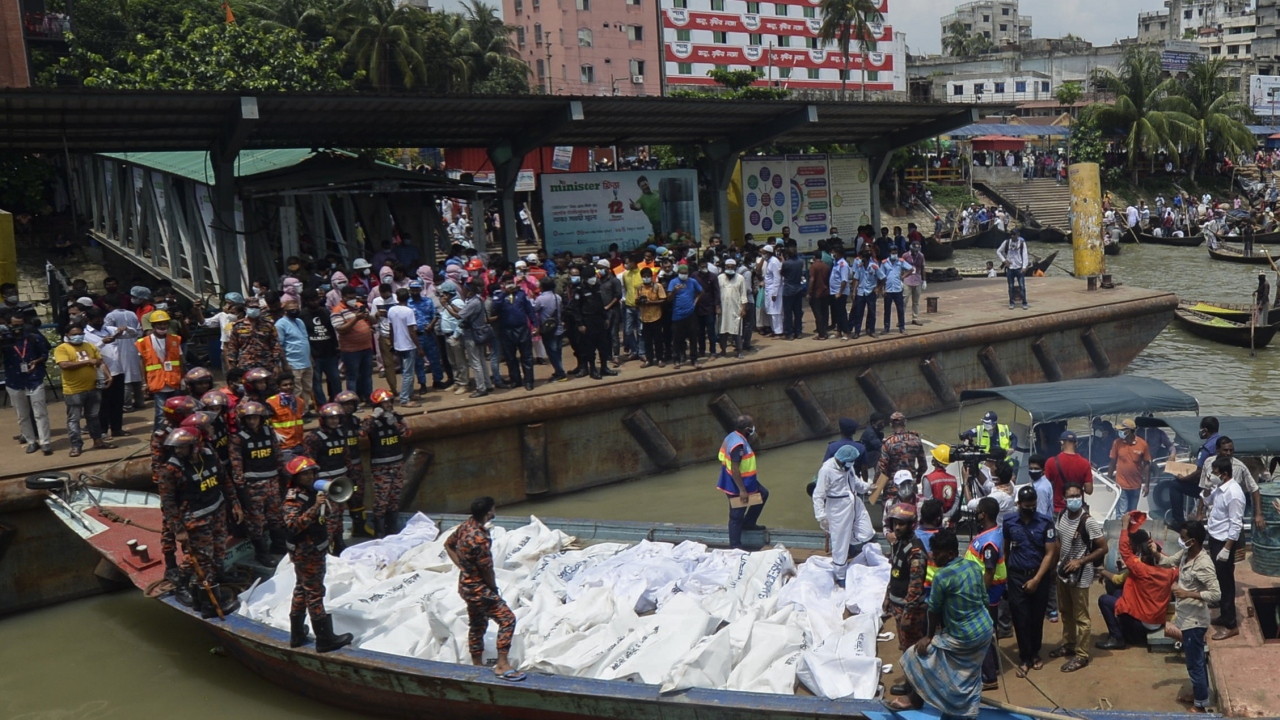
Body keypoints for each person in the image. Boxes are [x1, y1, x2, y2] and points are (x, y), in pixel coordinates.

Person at [888, 528, 994, 717]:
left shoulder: (942, 576)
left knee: (915, 655)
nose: (933, 556)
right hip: (984, 630)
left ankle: (915, 699)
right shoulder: (974, 567)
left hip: (963, 636)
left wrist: (928, 637)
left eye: (937, 553)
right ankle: (963, 707)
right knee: (968, 674)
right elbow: (984, 599)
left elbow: (933, 609)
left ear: (951, 554)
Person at [157, 427, 243, 619]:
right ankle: (191, 591)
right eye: (176, 448)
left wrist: (235, 504)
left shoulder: (210, 457)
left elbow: (225, 481)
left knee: (218, 552)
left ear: (195, 447)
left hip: (217, 512)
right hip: (195, 521)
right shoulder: (170, 470)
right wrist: (178, 529)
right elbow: (168, 503)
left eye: (182, 448)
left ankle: (205, 590)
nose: (178, 451)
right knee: (201, 558)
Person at [444, 496, 525, 681]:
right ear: (489, 512)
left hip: (465, 587)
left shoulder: (466, 526)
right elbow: (487, 569)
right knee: (507, 619)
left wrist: (463, 568)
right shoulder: (480, 538)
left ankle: (477, 664)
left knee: (477, 623)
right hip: (479, 589)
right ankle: (502, 664)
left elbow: (448, 545)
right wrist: (493, 588)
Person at [282, 456, 354, 653]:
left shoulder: (311, 493)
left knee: (301, 589)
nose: (310, 477)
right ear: (295, 477)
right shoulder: (294, 499)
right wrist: (315, 508)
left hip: (313, 548)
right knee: (314, 593)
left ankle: (297, 634)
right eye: (305, 474)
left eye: (312, 473)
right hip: (307, 553)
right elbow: (292, 526)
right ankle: (324, 639)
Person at [1155, 520, 1219, 712]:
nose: (1181, 541)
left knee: (1195, 663)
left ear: (1194, 540)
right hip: (1185, 617)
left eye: (1183, 538)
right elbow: (1167, 562)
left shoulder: (1204, 564)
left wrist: (1188, 593)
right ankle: (1200, 694)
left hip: (1195, 621)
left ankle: (1200, 705)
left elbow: (1216, 594)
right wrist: (1153, 551)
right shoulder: (1185, 554)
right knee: (1195, 660)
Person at [1096, 512, 1177, 650]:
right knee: (1117, 594)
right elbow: (1171, 562)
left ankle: (1117, 638)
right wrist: (1157, 551)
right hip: (1157, 619)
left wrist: (1124, 525)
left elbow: (1124, 551)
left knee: (1104, 599)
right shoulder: (1171, 571)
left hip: (1142, 623)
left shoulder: (1140, 569)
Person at [1004, 485, 1059, 678]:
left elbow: (1050, 553)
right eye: (1027, 506)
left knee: (1036, 617)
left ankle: (1035, 653)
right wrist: (1008, 574)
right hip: (1017, 575)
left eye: (1033, 505)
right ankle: (1025, 657)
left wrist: (1036, 579)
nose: (1031, 509)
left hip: (1039, 575)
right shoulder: (1009, 521)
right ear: (1019, 504)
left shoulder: (1045, 523)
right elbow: (1006, 548)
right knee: (1020, 617)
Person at [1051, 483, 1107, 672]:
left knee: (1081, 616)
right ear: (1064, 499)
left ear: (1082, 497)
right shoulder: (1062, 515)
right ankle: (1069, 644)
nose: (1074, 499)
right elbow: (1059, 541)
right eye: (1070, 496)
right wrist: (1055, 565)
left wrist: (1081, 561)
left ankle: (1082, 654)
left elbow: (1102, 548)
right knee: (1065, 612)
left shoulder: (1088, 522)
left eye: (1077, 495)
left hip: (1081, 575)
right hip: (1064, 572)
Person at [229, 400, 286, 565]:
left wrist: (284, 476)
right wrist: (241, 490)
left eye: (255, 418)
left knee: (276, 516)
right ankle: (262, 554)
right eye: (248, 418)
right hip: (253, 486)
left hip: (273, 482)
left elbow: (278, 456)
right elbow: (236, 465)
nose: (252, 421)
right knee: (256, 521)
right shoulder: (238, 439)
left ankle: (279, 546)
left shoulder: (269, 432)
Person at [883, 502, 929, 697]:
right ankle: (912, 684)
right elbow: (895, 574)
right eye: (895, 523)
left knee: (912, 651)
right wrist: (887, 596)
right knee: (905, 647)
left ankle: (915, 691)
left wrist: (908, 613)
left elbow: (915, 587)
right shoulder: (898, 544)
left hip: (909, 611)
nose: (897, 527)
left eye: (902, 524)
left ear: (911, 525)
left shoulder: (916, 552)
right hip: (897, 606)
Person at [812, 445, 874, 585]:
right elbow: (818, 495)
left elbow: (856, 483)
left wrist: (868, 487)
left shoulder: (848, 467)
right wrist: (821, 516)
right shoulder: (827, 470)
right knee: (839, 542)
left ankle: (851, 544)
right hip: (837, 508)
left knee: (866, 532)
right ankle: (840, 575)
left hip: (854, 502)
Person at [55, 323, 115, 458]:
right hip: (73, 390)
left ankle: (98, 441)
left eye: (80, 334)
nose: (78, 336)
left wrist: (108, 375)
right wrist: (88, 362)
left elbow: (100, 362)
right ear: (67, 336)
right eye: (74, 334)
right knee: (74, 419)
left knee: (93, 416)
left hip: (93, 387)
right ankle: (76, 445)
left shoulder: (90, 346)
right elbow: (64, 365)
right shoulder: (62, 349)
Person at [965, 497, 1006, 691]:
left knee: (984, 633)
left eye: (979, 510)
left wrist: (979, 596)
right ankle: (993, 667)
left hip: (987, 593)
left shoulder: (990, 541)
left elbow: (989, 572)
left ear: (985, 514)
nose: (977, 513)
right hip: (989, 592)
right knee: (989, 630)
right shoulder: (992, 533)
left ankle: (989, 677)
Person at [1204, 456, 1245, 641]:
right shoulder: (1220, 489)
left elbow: (1236, 524)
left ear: (1224, 474)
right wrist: (1206, 486)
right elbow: (1207, 501)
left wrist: (1227, 548)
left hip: (1224, 541)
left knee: (1226, 582)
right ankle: (1224, 613)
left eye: (1215, 472)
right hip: (1215, 538)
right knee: (1219, 579)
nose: (1213, 475)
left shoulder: (1234, 494)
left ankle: (1231, 625)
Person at [2, 313, 52, 455]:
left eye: (20, 325)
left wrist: (36, 362)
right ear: (7, 324)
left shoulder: (33, 338)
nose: (17, 328)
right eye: (14, 325)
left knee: (40, 412)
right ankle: (31, 441)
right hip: (14, 381)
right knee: (22, 414)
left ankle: (45, 442)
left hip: (34, 378)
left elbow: (45, 353)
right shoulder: (5, 341)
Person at [363, 388, 410, 537]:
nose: (388, 404)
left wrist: (395, 423)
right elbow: (362, 432)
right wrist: (374, 416)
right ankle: (380, 530)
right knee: (381, 499)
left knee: (394, 497)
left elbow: (407, 433)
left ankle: (392, 528)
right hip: (381, 466)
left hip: (397, 462)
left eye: (390, 401)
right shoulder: (371, 421)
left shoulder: (396, 417)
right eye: (385, 403)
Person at [718, 415, 768, 550]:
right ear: (747, 429)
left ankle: (749, 523)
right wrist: (742, 491)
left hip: (746, 480)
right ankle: (735, 546)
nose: (753, 428)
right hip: (736, 484)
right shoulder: (738, 445)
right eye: (752, 426)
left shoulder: (732, 436)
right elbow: (735, 469)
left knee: (763, 494)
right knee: (736, 514)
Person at [1199, 436, 1265, 530]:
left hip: (1232, 516)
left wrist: (1258, 514)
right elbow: (1204, 488)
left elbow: (1254, 489)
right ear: (1217, 449)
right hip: (1213, 516)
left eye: (1231, 450)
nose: (1228, 453)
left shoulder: (1239, 467)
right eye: (1225, 450)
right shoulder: (1208, 463)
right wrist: (1199, 512)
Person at [136, 310, 184, 429]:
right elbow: (142, 363)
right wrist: (144, 383)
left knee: (177, 411)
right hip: (158, 382)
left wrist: (183, 379)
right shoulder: (144, 342)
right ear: (153, 326)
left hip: (174, 380)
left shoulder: (175, 339)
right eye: (159, 324)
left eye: (165, 323)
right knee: (161, 413)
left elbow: (181, 360)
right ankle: (159, 437)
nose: (162, 326)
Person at [331, 286, 376, 403]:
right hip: (351, 351)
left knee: (367, 376)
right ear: (343, 297)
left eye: (354, 297)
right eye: (350, 298)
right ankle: (352, 402)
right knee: (352, 377)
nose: (353, 300)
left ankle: (368, 398)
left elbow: (373, 321)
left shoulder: (359, 306)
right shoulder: (337, 311)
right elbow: (341, 329)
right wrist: (356, 319)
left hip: (366, 347)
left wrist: (367, 316)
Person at [224, 300, 286, 374]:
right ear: (245, 309)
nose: (254, 309)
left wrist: (276, 365)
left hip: (266, 364)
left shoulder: (268, 324)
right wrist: (232, 365)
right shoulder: (238, 325)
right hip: (245, 365)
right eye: (251, 307)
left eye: (256, 307)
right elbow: (233, 346)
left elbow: (275, 345)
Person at [1108, 419, 1151, 517]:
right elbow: (1112, 462)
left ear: (1129, 431)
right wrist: (1109, 478)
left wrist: (1147, 485)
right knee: (1122, 513)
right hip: (1121, 485)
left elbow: (1147, 464)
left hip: (1136, 485)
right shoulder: (1117, 443)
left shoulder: (1143, 444)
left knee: (1133, 514)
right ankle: (1120, 530)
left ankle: (1130, 532)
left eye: (1123, 430)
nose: (1120, 432)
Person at [879, 412, 927, 502]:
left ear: (891, 425)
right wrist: (917, 479)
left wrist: (877, 487)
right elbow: (923, 466)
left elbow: (882, 469)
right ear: (905, 423)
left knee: (890, 512)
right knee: (911, 511)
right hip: (910, 486)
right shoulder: (916, 440)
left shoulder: (887, 443)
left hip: (892, 488)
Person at [1045, 430, 1093, 514]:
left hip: (1058, 509)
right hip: (1078, 509)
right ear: (1076, 444)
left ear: (1061, 442)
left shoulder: (1051, 462)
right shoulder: (1085, 463)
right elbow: (1089, 490)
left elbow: (1046, 488)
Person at [667, 262, 704, 368]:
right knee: (677, 338)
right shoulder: (673, 282)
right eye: (682, 273)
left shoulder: (692, 281)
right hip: (677, 314)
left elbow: (701, 291)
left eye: (686, 273)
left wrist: (695, 301)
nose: (684, 274)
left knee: (693, 337)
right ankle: (676, 360)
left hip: (691, 313)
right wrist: (675, 290)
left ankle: (694, 359)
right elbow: (669, 299)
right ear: (678, 273)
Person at [267, 371, 306, 461]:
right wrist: (274, 433)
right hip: (284, 446)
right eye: (285, 385)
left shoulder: (300, 401)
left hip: (299, 444)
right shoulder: (271, 402)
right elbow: (265, 423)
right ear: (279, 387)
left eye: (291, 384)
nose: (289, 387)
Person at [717, 259, 749, 358]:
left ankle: (739, 351)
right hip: (723, 309)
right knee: (723, 331)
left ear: (735, 268)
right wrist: (717, 307)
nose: (730, 269)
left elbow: (744, 295)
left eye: (732, 267)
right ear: (725, 267)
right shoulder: (720, 278)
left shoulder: (740, 278)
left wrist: (744, 309)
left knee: (736, 331)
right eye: (728, 267)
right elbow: (716, 294)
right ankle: (723, 350)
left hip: (736, 308)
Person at [923, 444, 961, 525]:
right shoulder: (953, 479)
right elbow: (956, 500)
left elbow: (928, 504)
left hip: (934, 523)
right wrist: (948, 515)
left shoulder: (928, 479)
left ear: (935, 461)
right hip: (949, 523)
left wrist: (940, 517)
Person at [850, 247, 883, 339]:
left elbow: (883, 278)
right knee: (858, 312)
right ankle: (857, 331)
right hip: (861, 292)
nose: (861, 260)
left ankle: (870, 330)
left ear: (866, 258)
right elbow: (856, 279)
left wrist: (878, 288)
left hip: (870, 292)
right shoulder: (860, 267)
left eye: (863, 258)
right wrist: (854, 291)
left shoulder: (874, 266)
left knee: (872, 312)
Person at [996, 232, 1030, 309]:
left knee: (1022, 286)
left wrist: (1024, 266)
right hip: (1010, 268)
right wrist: (1004, 261)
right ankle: (1011, 302)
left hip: (1019, 268)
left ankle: (1024, 302)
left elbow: (1025, 255)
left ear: (1018, 235)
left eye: (1014, 234)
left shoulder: (1021, 243)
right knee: (1010, 287)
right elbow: (998, 251)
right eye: (1011, 234)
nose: (1012, 236)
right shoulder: (1007, 242)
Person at [779, 248, 805, 339]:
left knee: (788, 313)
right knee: (798, 312)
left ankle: (789, 333)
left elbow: (782, 273)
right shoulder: (800, 262)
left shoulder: (786, 263)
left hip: (788, 290)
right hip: (798, 289)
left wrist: (783, 260)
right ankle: (798, 332)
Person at [881, 247, 908, 334]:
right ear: (889, 253)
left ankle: (902, 327)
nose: (894, 254)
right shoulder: (884, 263)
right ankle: (886, 327)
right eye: (893, 253)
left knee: (900, 309)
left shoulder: (900, 261)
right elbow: (881, 277)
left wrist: (903, 276)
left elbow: (911, 269)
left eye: (896, 252)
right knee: (887, 310)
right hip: (888, 290)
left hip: (897, 289)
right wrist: (883, 289)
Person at [807, 250, 830, 340]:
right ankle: (824, 331)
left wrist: (809, 292)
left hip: (816, 293)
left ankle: (821, 334)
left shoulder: (813, 267)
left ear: (814, 257)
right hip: (825, 292)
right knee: (824, 313)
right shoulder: (826, 266)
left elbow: (812, 280)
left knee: (818, 314)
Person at [903, 240, 926, 326]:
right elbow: (901, 268)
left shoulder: (921, 256)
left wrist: (924, 280)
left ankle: (915, 318)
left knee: (916, 302)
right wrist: (901, 280)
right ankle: (902, 319)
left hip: (917, 280)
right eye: (914, 250)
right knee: (904, 301)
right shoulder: (905, 256)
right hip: (907, 280)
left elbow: (923, 268)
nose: (916, 252)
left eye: (917, 250)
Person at [761, 245, 783, 335]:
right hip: (768, 289)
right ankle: (774, 330)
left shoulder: (774, 262)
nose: (762, 255)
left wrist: (775, 293)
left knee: (775, 312)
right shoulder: (769, 261)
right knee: (770, 311)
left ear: (768, 253)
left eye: (763, 253)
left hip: (774, 290)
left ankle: (779, 331)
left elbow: (777, 278)